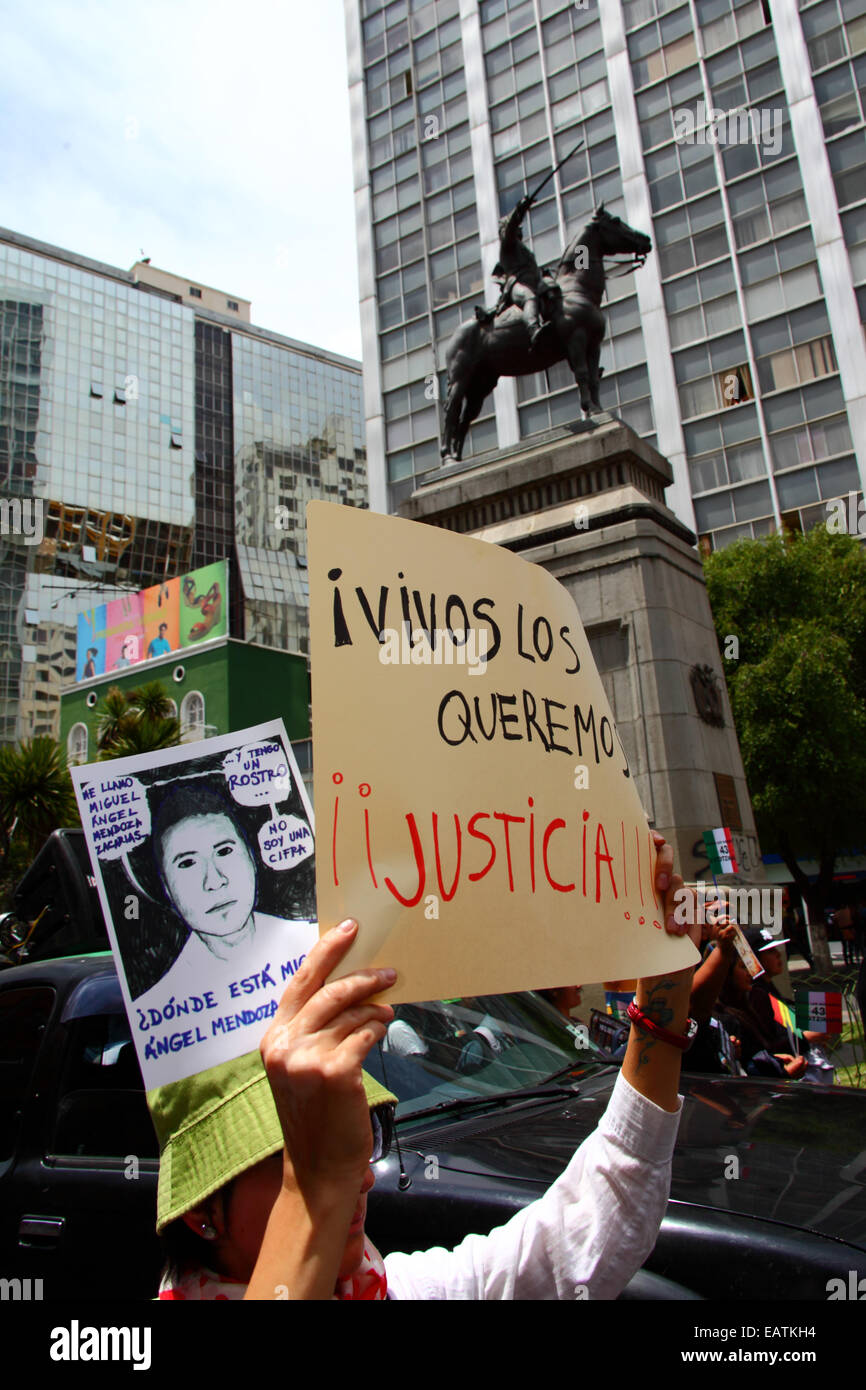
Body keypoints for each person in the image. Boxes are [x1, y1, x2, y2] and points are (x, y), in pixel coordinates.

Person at [153, 835, 703, 1300]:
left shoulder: (388, 1287)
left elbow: (579, 1238)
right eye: (299, 1152)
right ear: (204, 1214)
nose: (361, 1175)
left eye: (353, 1139)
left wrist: (666, 983)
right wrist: (317, 1189)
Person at [133, 784, 315, 1009]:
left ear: (251, 858)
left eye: (224, 851)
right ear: (167, 888)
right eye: (188, 863)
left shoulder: (318, 940)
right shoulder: (158, 1008)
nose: (214, 881)